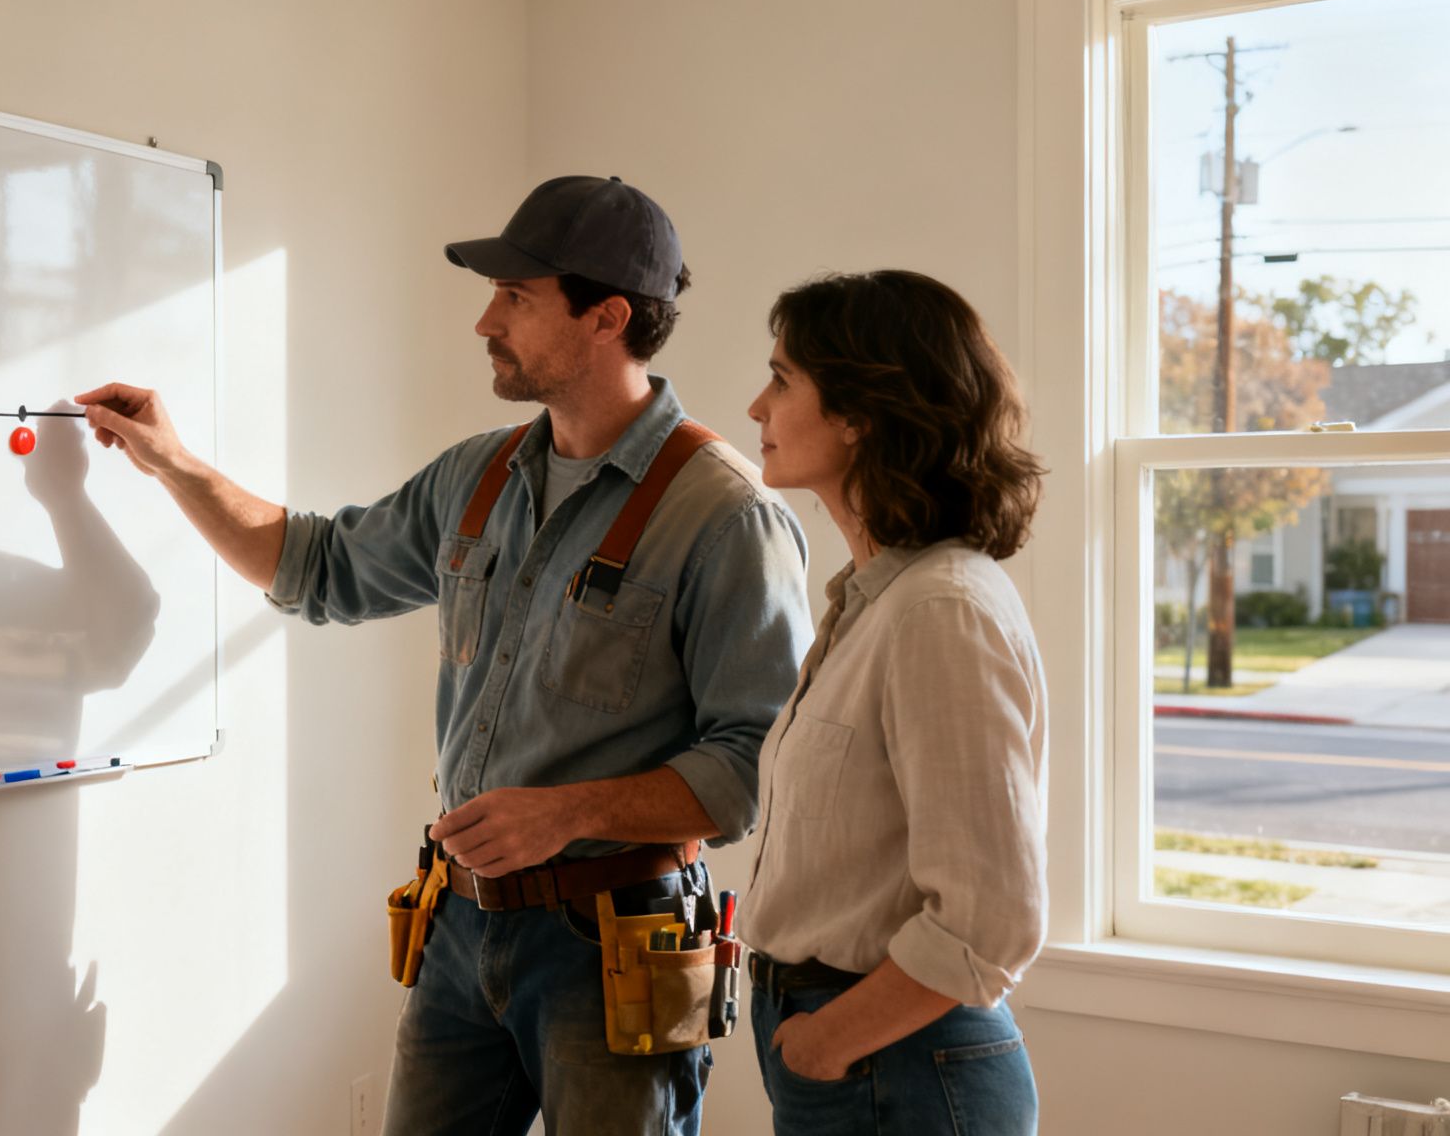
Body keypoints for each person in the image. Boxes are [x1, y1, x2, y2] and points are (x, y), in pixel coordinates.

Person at [77, 176, 811, 1135]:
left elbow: (758, 764)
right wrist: (176, 463)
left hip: (618, 942)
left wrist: (567, 814)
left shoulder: (725, 516)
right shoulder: (480, 475)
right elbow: (322, 566)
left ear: (608, 317)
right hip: (459, 926)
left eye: (515, 297)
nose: (483, 321)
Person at [735, 270, 1049, 1134]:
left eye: (783, 379)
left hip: (898, 1067)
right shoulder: (875, 600)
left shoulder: (940, 609)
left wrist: (824, 1042)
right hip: (861, 1060)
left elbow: (991, 919)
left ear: (860, 414)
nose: (757, 406)